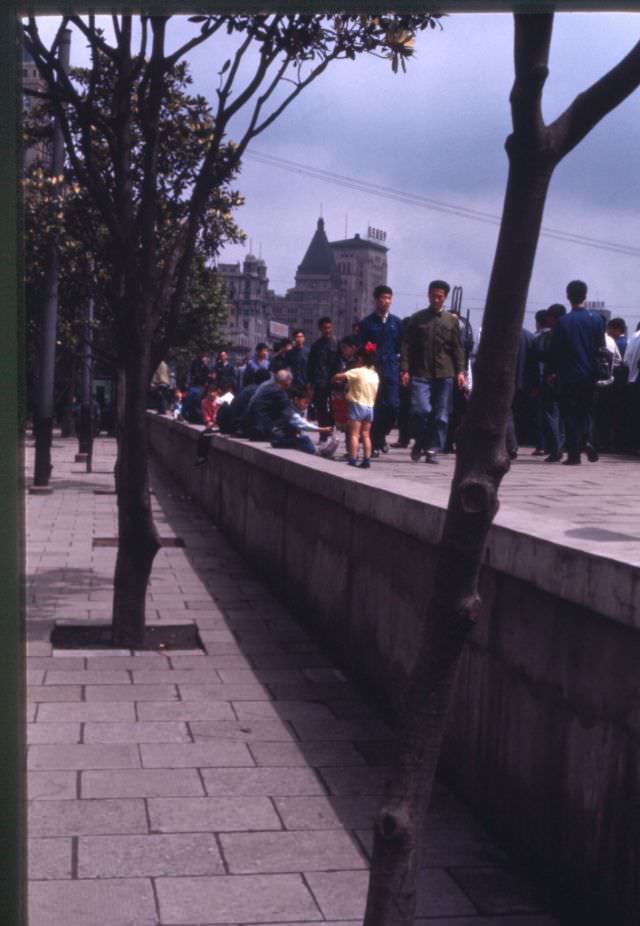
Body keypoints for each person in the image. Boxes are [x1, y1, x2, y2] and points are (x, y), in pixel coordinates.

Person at [401, 279, 466, 464]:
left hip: (445, 373)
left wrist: (460, 372)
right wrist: (405, 369)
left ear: (444, 298)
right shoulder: (417, 319)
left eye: (440, 296)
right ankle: (419, 441)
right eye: (433, 295)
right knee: (419, 410)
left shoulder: (451, 321)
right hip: (421, 372)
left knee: (441, 415)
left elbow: (457, 348)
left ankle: (432, 449)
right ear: (428, 295)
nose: (436, 299)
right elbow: (406, 345)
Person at [547, 280, 605, 465]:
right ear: (585, 295)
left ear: (568, 296)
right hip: (590, 374)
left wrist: (552, 372)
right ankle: (588, 440)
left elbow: (555, 350)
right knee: (586, 411)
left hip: (569, 374)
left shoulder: (563, 322)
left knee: (569, 413)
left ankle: (574, 454)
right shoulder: (596, 319)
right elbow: (600, 347)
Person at [358, 285, 403, 456]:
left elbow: (401, 346)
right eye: (383, 298)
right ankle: (375, 440)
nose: (386, 301)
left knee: (392, 405)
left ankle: (382, 434)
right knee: (374, 406)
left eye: (389, 298)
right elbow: (361, 347)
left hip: (391, 368)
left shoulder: (396, 323)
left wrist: (403, 368)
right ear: (376, 300)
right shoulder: (366, 323)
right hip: (373, 369)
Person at [332, 343, 379, 469]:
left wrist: (335, 378)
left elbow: (339, 377)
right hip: (370, 407)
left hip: (357, 405)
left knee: (354, 434)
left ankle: (352, 459)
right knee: (366, 434)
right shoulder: (374, 374)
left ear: (360, 359)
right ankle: (367, 460)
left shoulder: (357, 371)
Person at [271, 386, 338, 457]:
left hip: (283, 438)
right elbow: (304, 425)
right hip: (278, 440)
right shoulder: (291, 413)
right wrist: (322, 429)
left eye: (308, 403)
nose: (307, 405)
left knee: (302, 439)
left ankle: (319, 451)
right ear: (296, 400)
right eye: (305, 402)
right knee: (304, 439)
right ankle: (318, 453)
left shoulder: (295, 409)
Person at [308, 317, 340, 433]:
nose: (328, 330)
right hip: (320, 382)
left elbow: (339, 362)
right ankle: (323, 432)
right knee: (320, 408)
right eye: (325, 328)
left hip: (333, 382)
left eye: (329, 328)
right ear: (320, 329)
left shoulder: (336, 343)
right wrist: (310, 383)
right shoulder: (316, 345)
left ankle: (331, 429)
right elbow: (311, 365)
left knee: (333, 408)